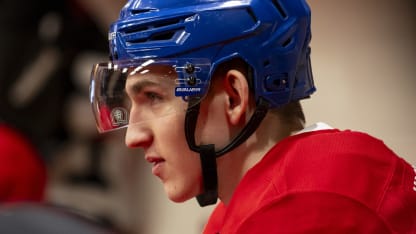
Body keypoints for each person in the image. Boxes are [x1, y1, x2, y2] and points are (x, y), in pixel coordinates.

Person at [89, 0, 416, 233]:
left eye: (154, 97)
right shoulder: (277, 191)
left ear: (233, 97)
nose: (133, 137)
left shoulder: (299, 211)